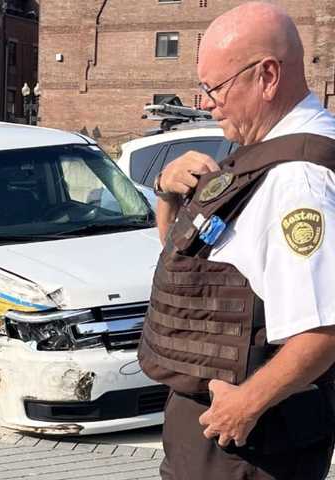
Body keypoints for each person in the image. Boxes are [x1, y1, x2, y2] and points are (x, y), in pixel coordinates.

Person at [136, 2, 335, 479]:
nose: (205, 102)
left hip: (248, 445)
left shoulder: (298, 181)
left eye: (215, 87)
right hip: (220, 441)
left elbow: (324, 328)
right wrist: (167, 194)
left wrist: (246, 404)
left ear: (267, 76)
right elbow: (194, 272)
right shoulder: (263, 156)